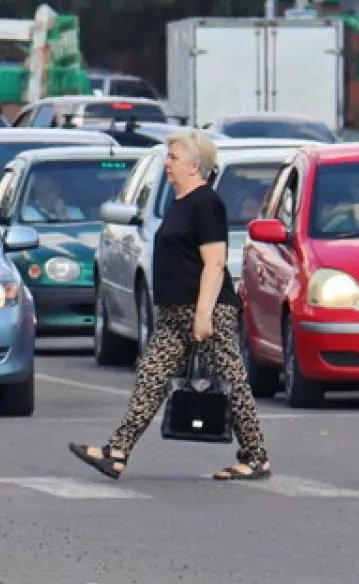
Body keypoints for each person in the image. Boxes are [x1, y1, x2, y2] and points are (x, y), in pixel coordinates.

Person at [69, 130, 271, 482]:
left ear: (195, 166)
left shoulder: (207, 203)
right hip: (175, 315)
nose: (167, 164)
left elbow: (215, 263)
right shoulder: (180, 202)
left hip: (205, 312)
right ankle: (116, 452)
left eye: (173, 158)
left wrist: (204, 314)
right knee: (151, 379)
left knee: (231, 382)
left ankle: (256, 458)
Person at [315, 170, 359, 234]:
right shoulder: (341, 213)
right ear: (350, 188)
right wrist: (354, 207)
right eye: (356, 184)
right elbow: (319, 220)